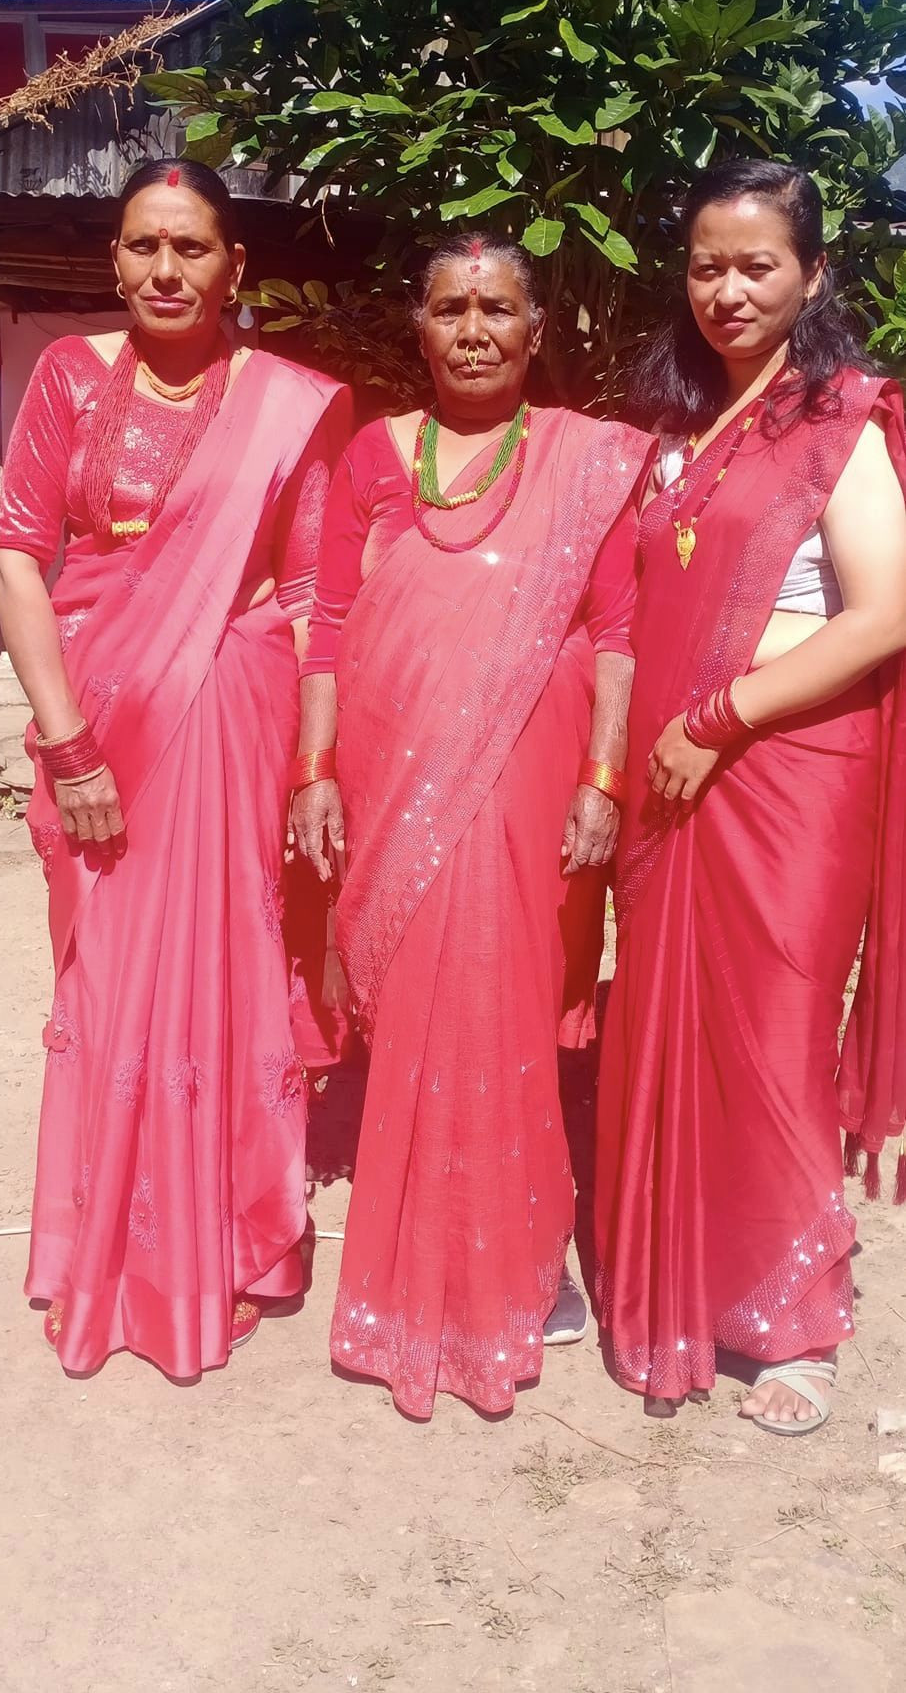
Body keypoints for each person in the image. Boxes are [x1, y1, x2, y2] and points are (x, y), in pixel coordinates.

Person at [0, 157, 350, 1378]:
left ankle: (218, 1244)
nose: (165, 268)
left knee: (221, 974)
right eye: (144, 244)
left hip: (230, 722)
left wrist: (313, 758)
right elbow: (20, 553)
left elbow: (311, 590)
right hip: (96, 719)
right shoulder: (68, 375)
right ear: (115, 258)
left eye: (190, 246)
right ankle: (105, 1239)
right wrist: (67, 742)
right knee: (106, 980)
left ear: (233, 266)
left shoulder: (289, 401)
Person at [290, 233, 651, 1418]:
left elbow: (617, 630)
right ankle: (415, 1263)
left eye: (498, 308)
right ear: (420, 326)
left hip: (529, 780)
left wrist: (603, 775)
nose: (475, 329)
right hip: (391, 777)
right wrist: (314, 769)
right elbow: (328, 621)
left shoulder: (582, 461)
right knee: (414, 1016)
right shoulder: (374, 454)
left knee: (508, 1004)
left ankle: (525, 1254)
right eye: (451, 307)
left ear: (535, 331)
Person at [594, 160, 906, 1434]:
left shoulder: (843, 422)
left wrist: (721, 717)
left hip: (788, 768)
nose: (726, 289)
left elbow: (882, 614)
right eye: (706, 266)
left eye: (756, 264)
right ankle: (678, 1278)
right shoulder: (678, 427)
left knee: (773, 1037)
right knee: (670, 1027)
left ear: (812, 274)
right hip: (676, 776)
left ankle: (796, 1321)